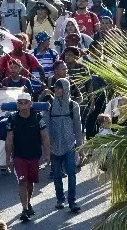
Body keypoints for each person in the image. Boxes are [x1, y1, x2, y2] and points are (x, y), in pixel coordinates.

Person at [5, 92, 51, 223]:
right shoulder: (12, 119)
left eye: (26, 103)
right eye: (21, 103)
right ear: (17, 105)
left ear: (31, 104)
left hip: (35, 156)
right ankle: (24, 209)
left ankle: (28, 203)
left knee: (30, 183)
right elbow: (9, 140)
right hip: (19, 156)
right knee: (22, 182)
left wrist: (48, 155)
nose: (23, 105)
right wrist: (7, 159)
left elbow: (45, 137)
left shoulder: (38, 118)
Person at [48, 78, 84, 213]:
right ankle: (60, 199)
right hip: (55, 146)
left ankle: (72, 201)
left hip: (70, 145)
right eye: (55, 88)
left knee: (71, 172)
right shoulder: (50, 105)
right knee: (57, 174)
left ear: (66, 89)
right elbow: (47, 125)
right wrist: (48, 145)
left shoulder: (73, 105)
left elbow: (78, 127)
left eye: (60, 87)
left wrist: (80, 147)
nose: (57, 90)